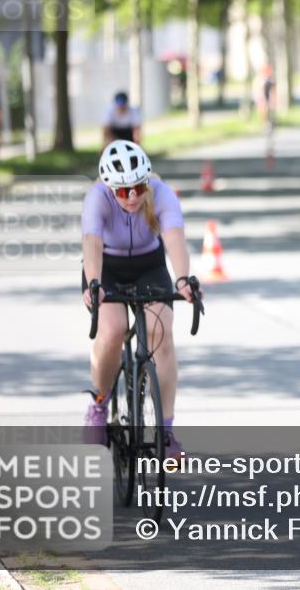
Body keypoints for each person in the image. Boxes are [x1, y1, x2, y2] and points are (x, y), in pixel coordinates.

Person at [81, 140, 192, 457]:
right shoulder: (96, 198)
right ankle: (99, 407)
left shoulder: (162, 193)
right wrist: (94, 283)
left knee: (162, 334)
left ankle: (167, 432)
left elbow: (174, 239)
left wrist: (183, 278)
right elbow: (91, 244)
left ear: (147, 181)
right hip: (108, 266)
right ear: (109, 187)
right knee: (113, 330)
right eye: (122, 191)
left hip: (149, 265)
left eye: (138, 187)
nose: (131, 196)